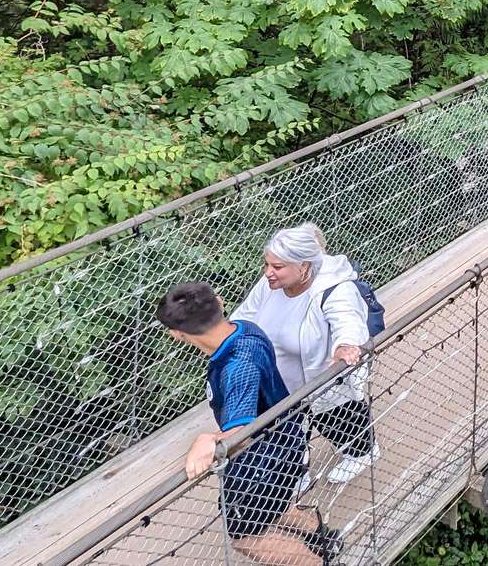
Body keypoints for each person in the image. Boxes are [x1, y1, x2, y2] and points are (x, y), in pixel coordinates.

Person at [158, 282, 340, 566]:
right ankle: (324, 537)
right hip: (287, 436)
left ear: (177, 335)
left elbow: (240, 434)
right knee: (277, 506)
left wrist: (207, 439)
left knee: (247, 536)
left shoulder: (236, 366)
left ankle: (319, 563)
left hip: (259, 461)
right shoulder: (245, 329)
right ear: (219, 302)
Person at [232, 223, 379, 487]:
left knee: (338, 417)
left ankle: (362, 453)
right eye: (267, 265)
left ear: (304, 267)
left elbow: (348, 321)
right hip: (278, 379)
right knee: (285, 428)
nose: (268, 273)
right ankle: (296, 472)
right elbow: (244, 316)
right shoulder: (269, 285)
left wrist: (345, 345)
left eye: (277, 267)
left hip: (318, 374)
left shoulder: (335, 289)